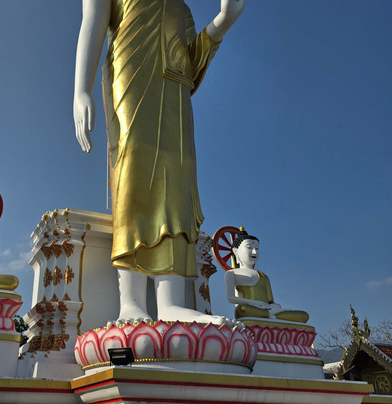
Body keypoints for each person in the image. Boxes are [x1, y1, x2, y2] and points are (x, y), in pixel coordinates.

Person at [74, 0, 244, 323]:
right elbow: (92, 21)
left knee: (177, 178)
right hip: (131, 69)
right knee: (134, 163)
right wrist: (80, 90)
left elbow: (191, 67)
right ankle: (131, 302)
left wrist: (224, 21)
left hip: (175, 91)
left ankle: (170, 303)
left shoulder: (182, 9)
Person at [224, 228, 309, 323]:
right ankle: (273, 315)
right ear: (236, 251)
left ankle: (271, 315)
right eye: (249, 247)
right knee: (242, 309)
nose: (254, 252)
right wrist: (254, 303)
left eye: (257, 248)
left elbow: (271, 302)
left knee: (304, 315)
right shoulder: (232, 273)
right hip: (249, 309)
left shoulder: (263, 276)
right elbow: (231, 298)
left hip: (265, 310)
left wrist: (274, 307)